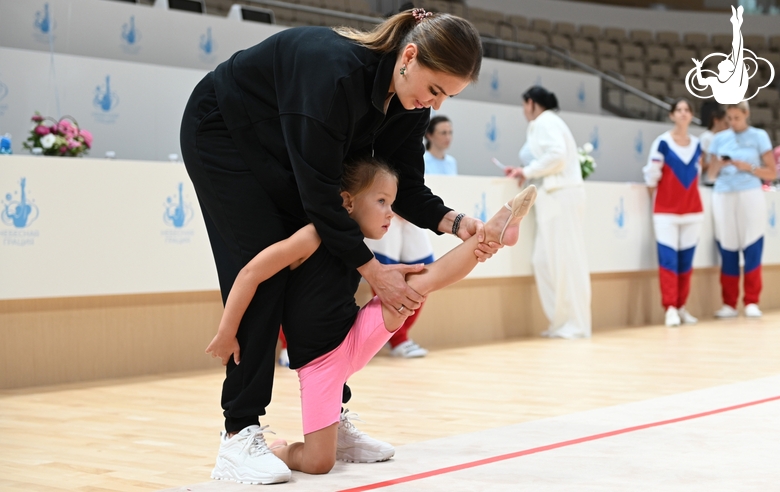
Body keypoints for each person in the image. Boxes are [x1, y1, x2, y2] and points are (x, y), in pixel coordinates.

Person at [180, 8, 490, 485]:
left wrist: (456, 223)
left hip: (285, 150)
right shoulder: (333, 75)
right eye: (435, 89)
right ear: (409, 56)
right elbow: (320, 197)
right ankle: (239, 433)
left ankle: (330, 419)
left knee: (332, 265)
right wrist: (373, 270)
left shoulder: (410, 106)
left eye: (447, 96)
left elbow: (405, 187)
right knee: (268, 267)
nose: (434, 102)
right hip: (224, 134)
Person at [206, 157, 537, 475]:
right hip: (320, 366)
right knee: (319, 464)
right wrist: (227, 331)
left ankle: (489, 234)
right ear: (347, 201)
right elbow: (250, 273)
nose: (391, 214)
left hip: (355, 338)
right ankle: (279, 449)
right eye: (382, 201)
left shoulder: (360, 245)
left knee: (418, 285)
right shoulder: (311, 236)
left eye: (392, 204)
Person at [363, 115, 457, 358]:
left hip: (411, 214)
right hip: (384, 212)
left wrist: (410, 205)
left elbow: (414, 184)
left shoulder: (413, 123)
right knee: (387, 273)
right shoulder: (371, 124)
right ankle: (396, 338)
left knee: (423, 271)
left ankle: (401, 335)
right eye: (443, 132)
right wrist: (389, 204)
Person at [503, 86, 591, 339]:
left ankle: (575, 325)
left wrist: (527, 171)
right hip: (553, 197)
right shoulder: (548, 123)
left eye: (523, 106)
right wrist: (526, 171)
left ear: (531, 103)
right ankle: (560, 322)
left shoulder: (545, 121)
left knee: (566, 261)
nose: (523, 111)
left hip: (561, 195)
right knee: (543, 261)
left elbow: (557, 156)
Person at [707, 101, 776, 319]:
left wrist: (749, 167)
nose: (733, 122)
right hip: (723, 194)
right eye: (730, 118)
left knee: (752, 244)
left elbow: (772, 173)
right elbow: (710, 175)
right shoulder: (719, 139)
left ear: (746, 114)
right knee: (727, 246)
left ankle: (752, 301)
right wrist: (719, 164)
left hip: (750, 193)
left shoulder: (759, 136)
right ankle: (729, 303)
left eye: (737, 118)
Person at [643, 99, 703, 327]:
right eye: (679, 110)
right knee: (668, 262)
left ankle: (681, 306)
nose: (683, 113)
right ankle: (669, 307)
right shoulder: (662, 144)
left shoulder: (698, 145)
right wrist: (659, 204)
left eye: (687, 110)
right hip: (666, 212)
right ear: (671, 115)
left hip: (693, 212)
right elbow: (652, 176)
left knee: (686, 263)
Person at [699, 102, 728, 186]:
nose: (727, 127)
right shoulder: (706, 138)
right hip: (708, 183)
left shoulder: (726, 140)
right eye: (725, 124)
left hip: (723, 183)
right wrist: (717, 164)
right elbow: (700, 165)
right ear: (716, 120)